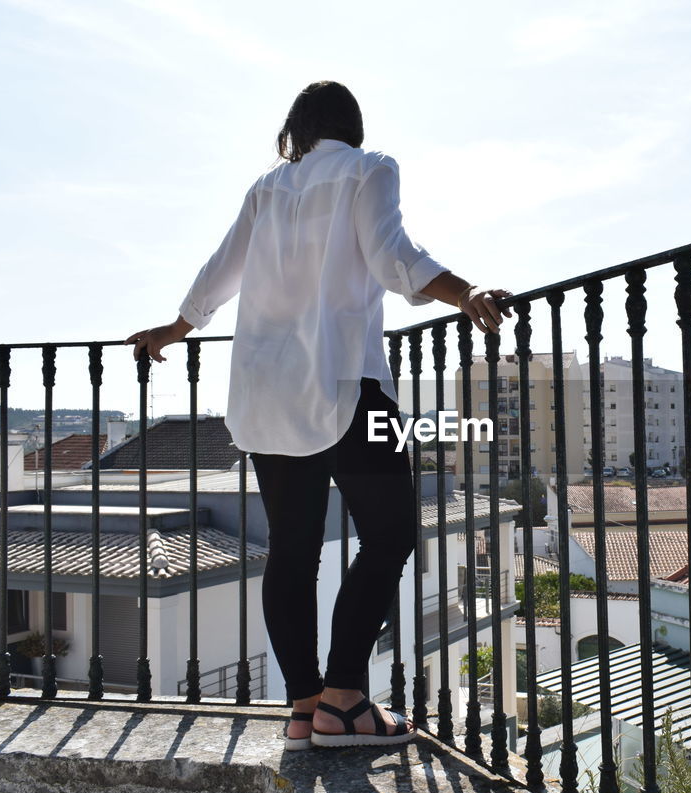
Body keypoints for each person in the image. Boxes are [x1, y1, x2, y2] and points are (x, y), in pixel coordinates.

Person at [124, 80, 512, 749]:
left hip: (265, 390)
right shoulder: (369, 169)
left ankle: (306, 708)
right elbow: (393, 257)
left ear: (296, 129)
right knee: (390, 535)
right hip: (343, 383)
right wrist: (465, 291)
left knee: (293, 550)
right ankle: (344, 698)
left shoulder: (267, 188)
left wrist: (173, 329)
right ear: (351, 127)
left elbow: (220, 272)